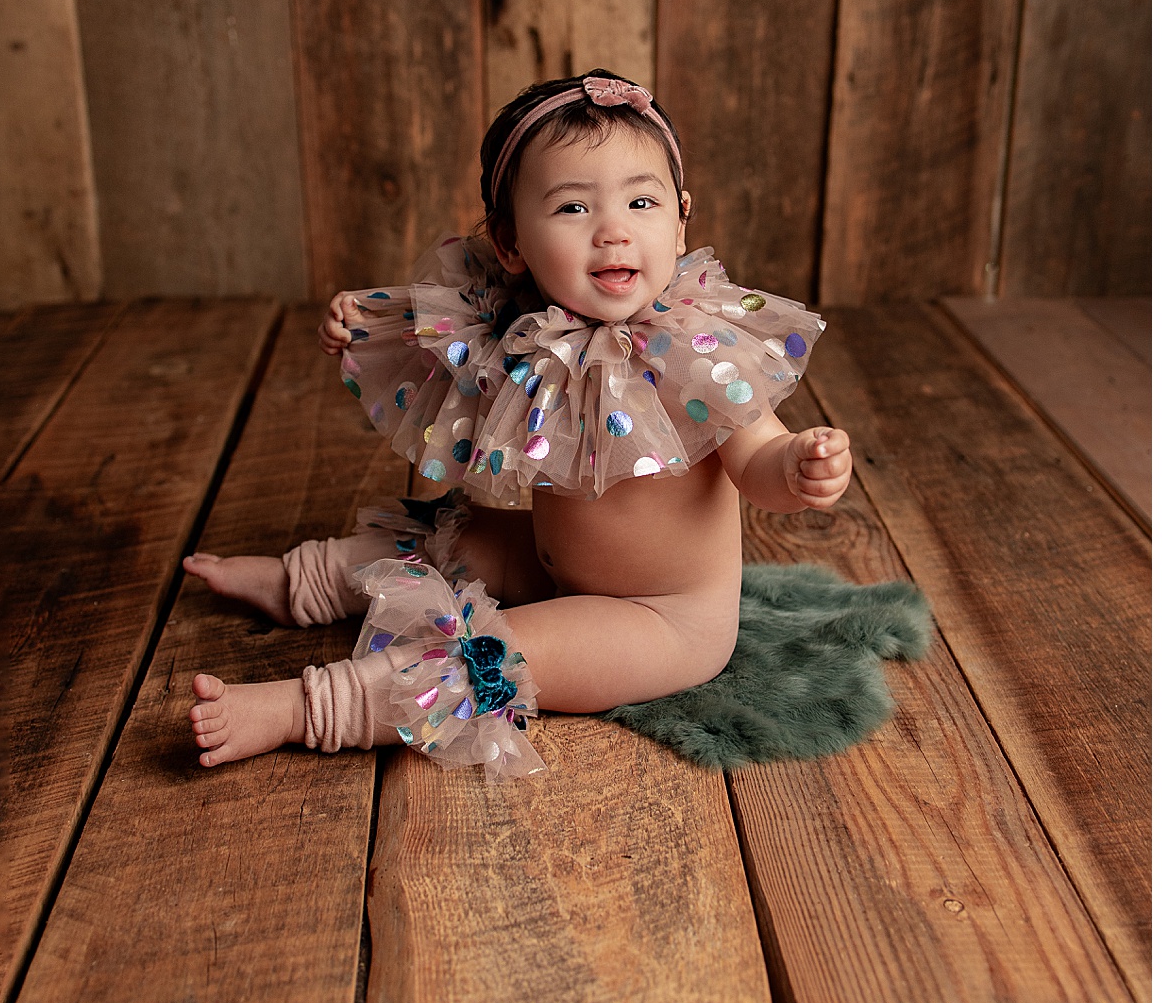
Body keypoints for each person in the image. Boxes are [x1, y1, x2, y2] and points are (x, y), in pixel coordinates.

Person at [186, 69, 853, 779]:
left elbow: (758, 461)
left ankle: (309, 709)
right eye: (572, 208)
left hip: (662, 619)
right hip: (543, 558)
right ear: (510, 243)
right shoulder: (530, 328)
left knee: (489, 653)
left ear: (681, 219)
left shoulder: (696, 348)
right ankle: (304, 582)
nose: (614, 231)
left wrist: (796, 465)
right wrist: (364, 321)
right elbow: (436, 336)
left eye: (641, 201)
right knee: (452, 540)